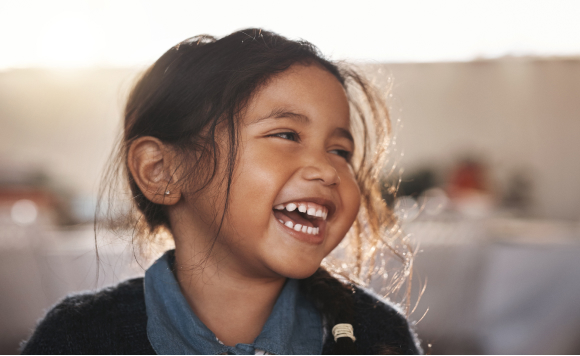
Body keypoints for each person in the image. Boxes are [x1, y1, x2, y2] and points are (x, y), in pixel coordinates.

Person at [21, 29, 421, 355]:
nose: (328, 170)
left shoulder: (377, 336)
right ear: (161, 171)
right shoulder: (78, 339)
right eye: (286, 134)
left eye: (340, 151)